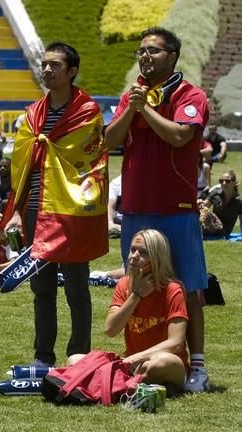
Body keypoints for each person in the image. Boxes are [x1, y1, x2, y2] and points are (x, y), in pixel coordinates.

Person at [104, 27, 210, 392]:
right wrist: (131, 109)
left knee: (190, 287)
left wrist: (144, 109)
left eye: (153, 50)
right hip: (135, 208)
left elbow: (180, 135)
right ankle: (143, 359)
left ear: (172, 56)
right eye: (141, 51)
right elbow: (109, 141)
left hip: (176, 208)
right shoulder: (132, 96)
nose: (145, 56)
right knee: (138, 285)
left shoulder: (189, 94)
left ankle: (196, 365)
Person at [4, 42, 108, 368]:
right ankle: (42, 356)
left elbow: (91, 161)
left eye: (55, 66)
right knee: (42, 287)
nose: (47, 70)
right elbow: (22, 164)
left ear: (72, 71)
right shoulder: (33, 114)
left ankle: (79, 355)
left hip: (71, 210)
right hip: (36, 208)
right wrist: (18, 213)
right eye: (44, 64)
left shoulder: (86, 112)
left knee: (77, 286)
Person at [69, 229, 189, 395]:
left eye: (143, 252)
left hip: (166, 364)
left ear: (157, 258)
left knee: (158, 363)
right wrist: (136, 295)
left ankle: (109, 385)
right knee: (75, 359)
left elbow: (175, 343)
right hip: (132, 365)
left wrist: (133, 359)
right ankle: (125, 386)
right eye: (133, 249)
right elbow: (110, 330)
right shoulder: (124, 285)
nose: (134, 256)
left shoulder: (172, 289)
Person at [200, 170, 241, 236]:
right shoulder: (216, 193)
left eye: (227, 181)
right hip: (211, 225)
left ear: (235, 183)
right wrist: (201, 207)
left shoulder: (239, 201)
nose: (224, 183)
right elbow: (204, 207)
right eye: (221, 181)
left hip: (224, 231)